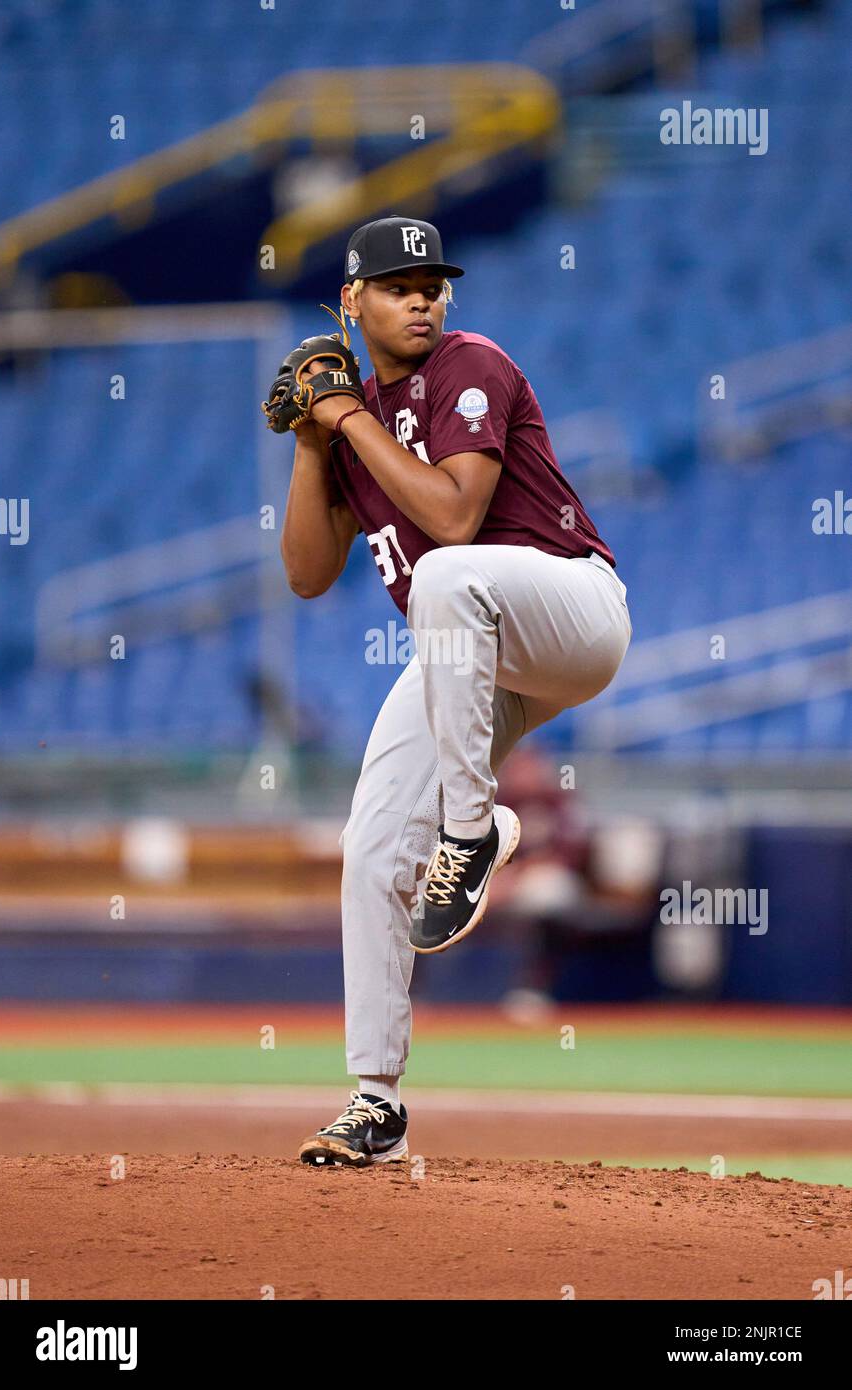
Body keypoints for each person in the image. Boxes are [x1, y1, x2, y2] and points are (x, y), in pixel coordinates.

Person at [278, 216, 632, 1166]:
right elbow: (307, 575)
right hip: (470, 652)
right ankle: (374, 1101)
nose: (424, 296)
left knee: (442, 574)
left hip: (571, 611)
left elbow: (453, 515)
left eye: (433, 280)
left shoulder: (471, 365)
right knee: (369, 844)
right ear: (352, 303)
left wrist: (342, 416)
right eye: (398, 284)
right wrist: (315, 445)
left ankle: (471, 835)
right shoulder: (348, 427)